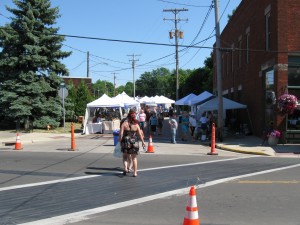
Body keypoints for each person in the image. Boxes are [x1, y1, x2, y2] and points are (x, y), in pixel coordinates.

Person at [119, 110, 146, 177]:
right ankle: (135, 173)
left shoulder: (124, 124)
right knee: (134, 158)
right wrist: (143, 142)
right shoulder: (136, 125)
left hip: (125, 141)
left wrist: (120, 141)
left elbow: (121, 134)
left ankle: (125, 168)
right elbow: (140, 134)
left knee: (125, 156)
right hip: (134, 141)